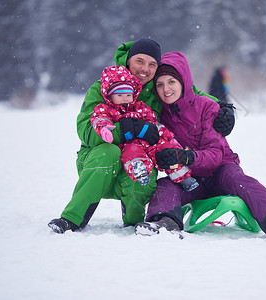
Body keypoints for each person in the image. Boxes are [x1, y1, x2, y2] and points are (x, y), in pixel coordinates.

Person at [48, 39, 235, 234]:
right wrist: (125, 130)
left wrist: (221, 107)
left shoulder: (156, 88)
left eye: (152, 64)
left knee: (145, 169)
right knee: (108, 152)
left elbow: (190, 93)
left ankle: (132, 221)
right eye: (139, 61)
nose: (145, 69)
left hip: (135, 159)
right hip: (98, 164)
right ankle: (72, 219)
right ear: (128, 61)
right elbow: (85, 130)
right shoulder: (104, 86)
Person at [134, 52, 266, 238]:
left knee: (239, 180)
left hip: (221, 170)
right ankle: (164, 224)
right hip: (190, 180)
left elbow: (215, 155)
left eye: (171, 82)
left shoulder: (206, 106)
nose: (166, 89)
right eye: (160, 84)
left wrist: (186, 156)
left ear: (183, 82)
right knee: (165, 186)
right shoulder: (161, 116)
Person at [91, 65, 199, 191]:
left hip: (149, 141)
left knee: (166, 152)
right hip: (129, 143)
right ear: (110, 96)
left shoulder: (139, 106)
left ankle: (183, 178)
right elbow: (99, 119)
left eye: (128, 94)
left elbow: (152, 122)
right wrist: (104, 130)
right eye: (119, 95)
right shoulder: (106, 109)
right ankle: (140, 170)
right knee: (132, 154)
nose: (125, 98)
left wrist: (164, 135)